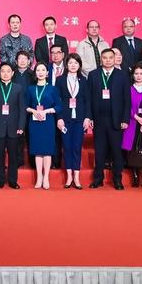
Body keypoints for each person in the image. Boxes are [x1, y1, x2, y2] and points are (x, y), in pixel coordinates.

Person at [87, 48, 129, 189]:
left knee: (117, 151)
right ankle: (98, 179)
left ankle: (117, 179)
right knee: (99, 151)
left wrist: (125, 119)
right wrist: (89, 117)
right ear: (101, 59)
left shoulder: (122, 75)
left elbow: (127, 99)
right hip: (98, 119)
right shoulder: (93, 75)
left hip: (116, 119)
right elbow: (89, 98)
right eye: (105, 58)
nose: (108, 60)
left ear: (115, 58)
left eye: (111, 57)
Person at [0, 62, 27, 189]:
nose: (5, 74)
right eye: (3, 71)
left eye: (8, 71)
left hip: (14, 128)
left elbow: (22, 109)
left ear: (12, 73)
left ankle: (12, 180)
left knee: (13, 156)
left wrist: (21, 126)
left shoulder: (18, 88)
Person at [56, 53, 89, 189]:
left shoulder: (84, 80)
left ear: (79, 65)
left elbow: (87, 101)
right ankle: (69, 176)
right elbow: (57, 101)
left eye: (75, 63)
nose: (73, 65)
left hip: (79, 119)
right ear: (66, 65)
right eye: (70, 63)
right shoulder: (60, 80)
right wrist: (59, 118)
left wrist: (87, 118)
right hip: (65, 119)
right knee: (67, 147)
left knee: (76, 147)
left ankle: (76, 176)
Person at [25, 63, 61, 189]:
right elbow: (25, 105)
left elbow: (59, 106)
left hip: (48, 122)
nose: (40, 72)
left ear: (47, 73)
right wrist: (33, 111)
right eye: (38, 70)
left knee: (47, 151)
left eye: (43, 70)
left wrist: (47, 111)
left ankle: (46, 177)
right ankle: (39, 177)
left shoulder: (52, 89)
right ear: (35, 73)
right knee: (37, 151)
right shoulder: (30, 89)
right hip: (34, 122)